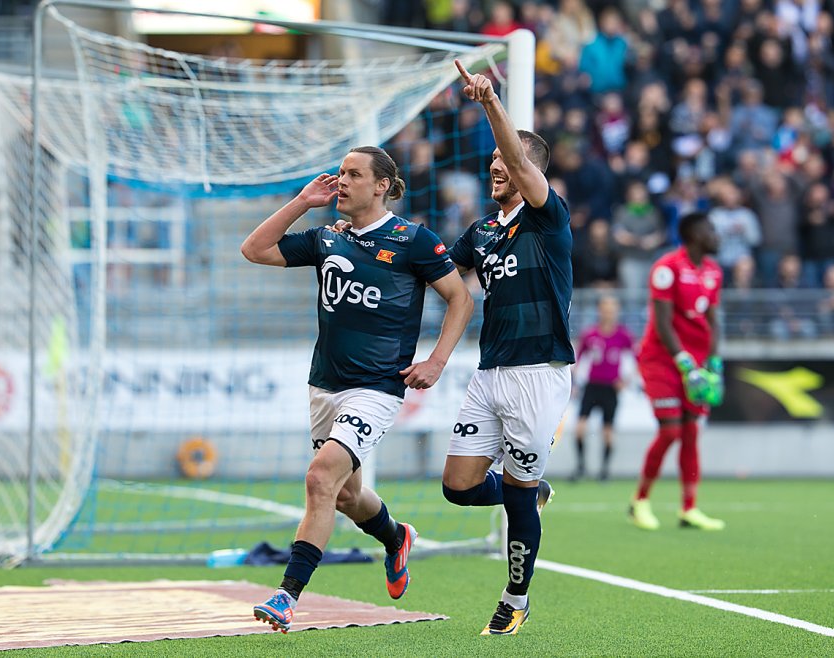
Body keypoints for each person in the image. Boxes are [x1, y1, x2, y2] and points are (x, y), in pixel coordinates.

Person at [240, 146, 473, 634]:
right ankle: (395, 537)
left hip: (377, 388)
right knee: (346, 496)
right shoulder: (328, 237)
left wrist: (436, 360)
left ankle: (287, 595)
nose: (342, 182)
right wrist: (303, 202)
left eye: (353, 174)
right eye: (340, 174)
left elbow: (460, 299)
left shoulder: (413, 240)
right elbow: (255, 249)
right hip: (325, 386)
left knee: (319, 478)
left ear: (381, 185)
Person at [441, 60, 574, 636]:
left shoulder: (549, 217)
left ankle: (516, 597)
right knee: (458, 486)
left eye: (504, 162)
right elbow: (442, 274)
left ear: (529, 171)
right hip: (490, 370)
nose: (495, 167)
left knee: (516, 499)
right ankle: (533, 491)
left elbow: (518, 157)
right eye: (492, 161)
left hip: (538, 374)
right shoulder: (482, 230)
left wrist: (491, 103)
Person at [629, 211, 726, 532]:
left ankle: (689, 508)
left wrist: (712, 362)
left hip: (696, 362)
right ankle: (640, 501)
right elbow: (662, 322)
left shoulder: (713, 271)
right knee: (670, 430)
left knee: (691, 433)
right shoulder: (666, 269)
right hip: (662, 359)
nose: (716, 235)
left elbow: (712, 320)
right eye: (711, 230)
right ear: (695, 235)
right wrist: (684, 361)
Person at [570, 295, 634, 482]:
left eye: (612, 309)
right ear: (599, 310)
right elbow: (578, 360)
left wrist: (625, 381)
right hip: (592, 386)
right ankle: (581, 466)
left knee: (607, 432)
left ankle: (604, 470)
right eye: (605, 308)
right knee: (580, 428)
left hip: (610, 388)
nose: (609, 313)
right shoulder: (590, 335)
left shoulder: (623, 335)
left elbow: (635, 360)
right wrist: (573, 384)